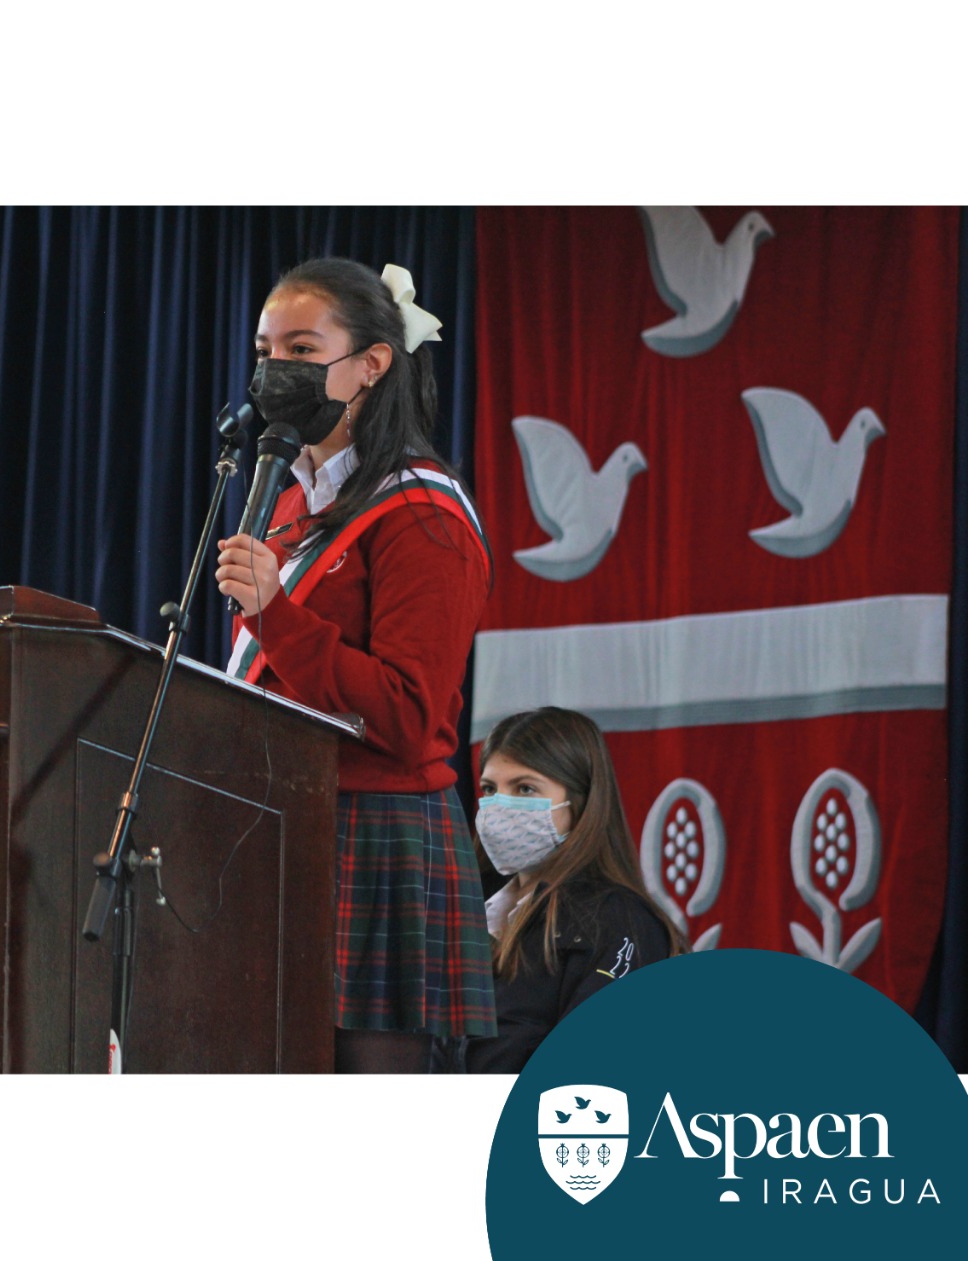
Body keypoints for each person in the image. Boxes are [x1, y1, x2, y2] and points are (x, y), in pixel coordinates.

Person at [216, 257, 495, 1073]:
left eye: (303, 350)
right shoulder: (289, 501)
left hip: (377, 832)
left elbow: (406, 715)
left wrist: (276, 616)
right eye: (266, 352)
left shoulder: (422, 513)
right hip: (282, 826)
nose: (277, 371)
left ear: (372, 363)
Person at [464, 706, 686, 1073]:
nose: (499, 807)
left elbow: (590, 1068)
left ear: (580, 803)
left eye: (525, 788)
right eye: (489, 789)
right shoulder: (469, 910)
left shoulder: (617, 920)